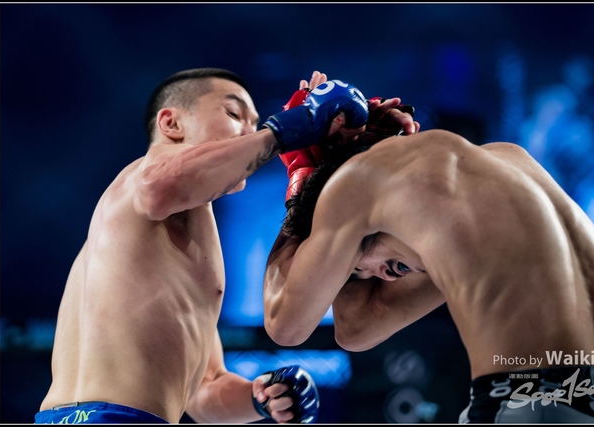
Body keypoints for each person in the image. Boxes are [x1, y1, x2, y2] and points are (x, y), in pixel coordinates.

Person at [34, 68, 371, 424]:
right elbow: (159, 188)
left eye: (255, 124)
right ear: (171, 124)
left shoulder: (158, 246)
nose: (250, 132)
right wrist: (291, 129)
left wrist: (262, 398)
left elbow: (203, 392)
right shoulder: (146, 175)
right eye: (234, 114)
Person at [263, 100, 594, 423]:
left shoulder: (358, 181)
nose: (377, 278)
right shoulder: (512, 163)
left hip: (531, 398)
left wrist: (303, 180)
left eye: (355, 268)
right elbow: (355, 331)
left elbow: (285, 327)